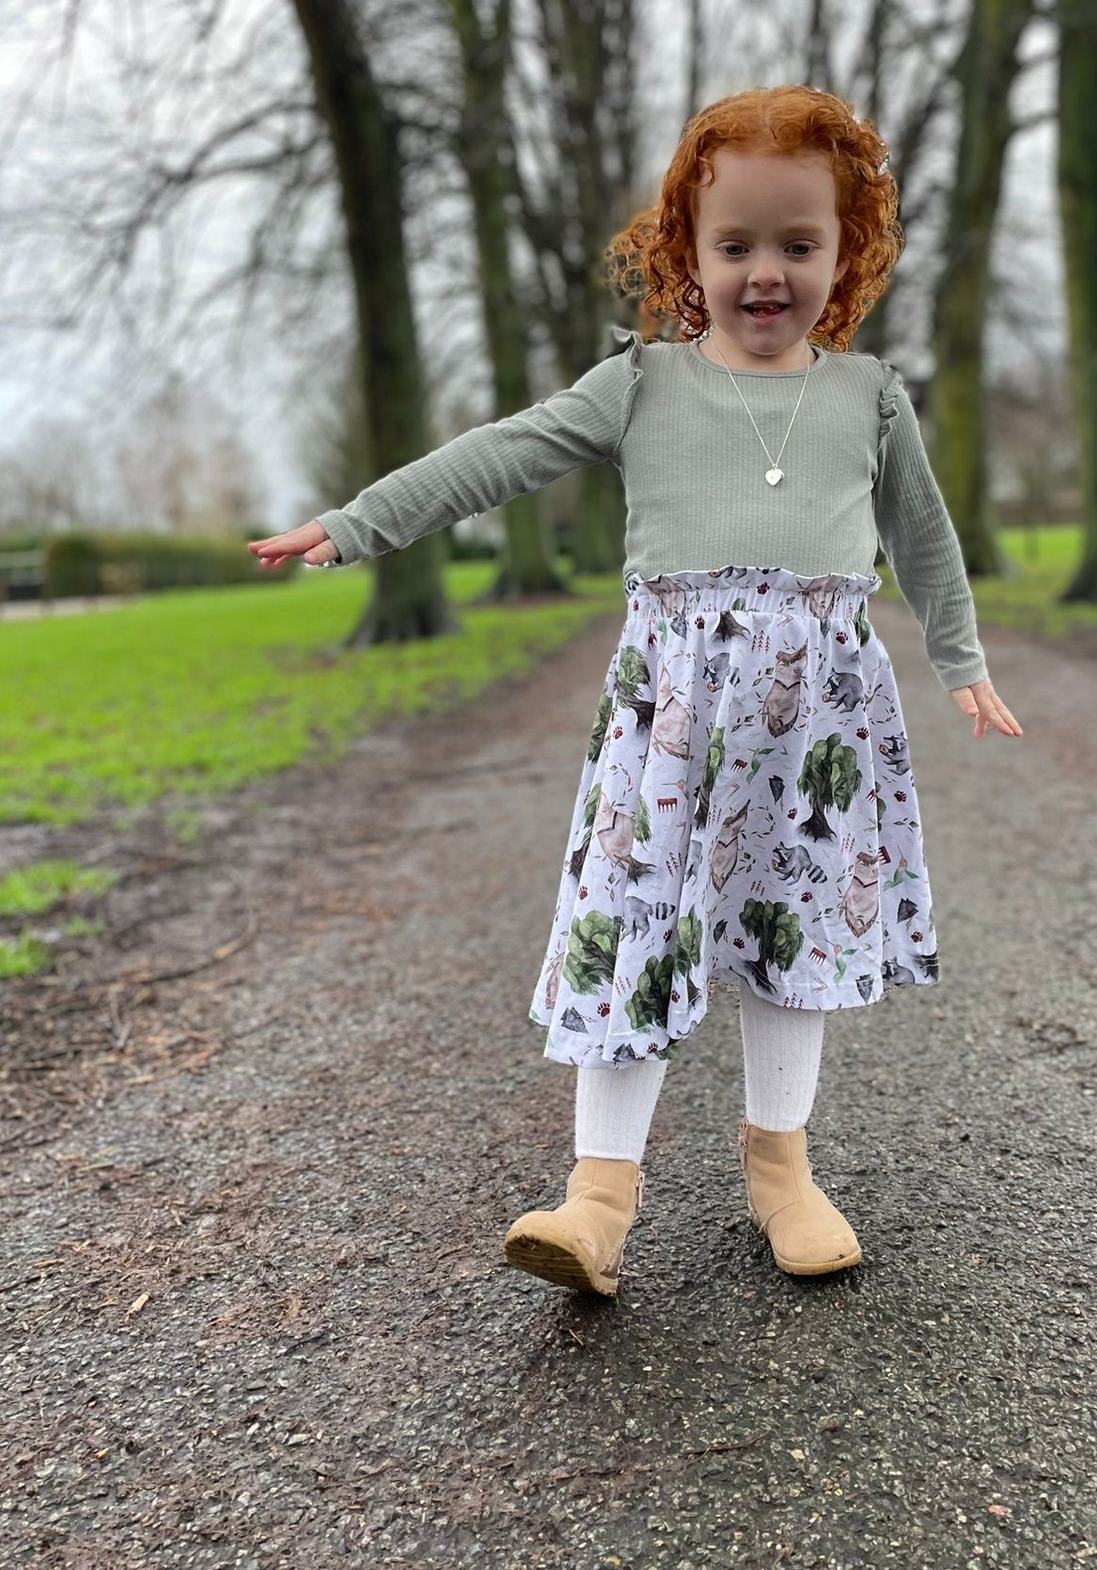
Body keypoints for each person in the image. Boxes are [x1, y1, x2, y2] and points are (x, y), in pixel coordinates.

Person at [249, 84, 1021, 1299]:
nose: (765, 272)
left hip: (810, 729)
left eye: (797, 245)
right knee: (630, 922)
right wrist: (354, 525)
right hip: (665, 734)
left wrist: (961, 662)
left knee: (791, 931)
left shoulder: (868, 396)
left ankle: (782, 1166)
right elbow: (499, 453)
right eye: (735, 246)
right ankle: (597, 1197)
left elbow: (920, 541)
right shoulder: (642, 386)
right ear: (686, 251)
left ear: (847, 251)